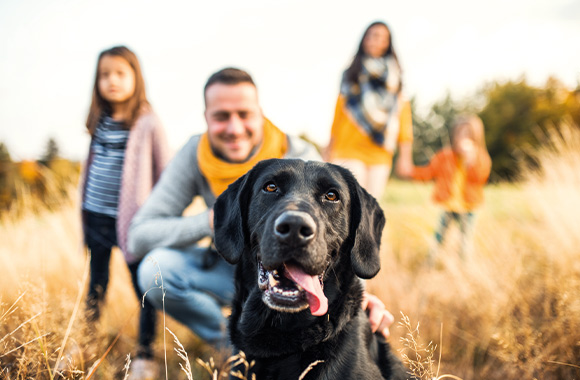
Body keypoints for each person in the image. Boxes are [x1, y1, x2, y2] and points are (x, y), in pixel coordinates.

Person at [128, 68, 395, 362]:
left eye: (244, 114)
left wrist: (361, 297)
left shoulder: (300, 153)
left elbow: (336, 229)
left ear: (260, 113)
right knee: (155, 269)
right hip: (229, 263)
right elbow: (139, 236)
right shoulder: (195, 154)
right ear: (206, 117)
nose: (234, 127)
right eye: (221, 116)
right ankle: (236, 345)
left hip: (292, 263)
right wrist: (212, 222)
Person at [76, 46, 171, 376]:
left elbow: (166, 173)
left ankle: (145, 354)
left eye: (120, 73)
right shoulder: (98, 121)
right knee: (96, 284)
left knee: (143, 285)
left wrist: (160, 216)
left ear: (135, 77)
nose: (112, 81)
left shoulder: (147, 121)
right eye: (105, 75)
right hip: (96, 216)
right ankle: (86, 343)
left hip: (133, 223)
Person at [326, 21, 414, 199]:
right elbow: (339, 113)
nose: (376, 40)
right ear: (364, 39)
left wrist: (405, 156)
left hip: (380, 152)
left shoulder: (395, 79)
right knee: (349, 202)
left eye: (382, 37)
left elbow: (403, 117)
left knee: (371, 207)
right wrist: (329, 147)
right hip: (348, 148)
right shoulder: (351, 73)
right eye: (372, 35)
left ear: (388, 44)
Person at [408, 115, 491, 261]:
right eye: (460, 133)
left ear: (476, 137)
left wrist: (470, 161)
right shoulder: (445, 156)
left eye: (468, 134)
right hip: (449, 205)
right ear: (454, 136)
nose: (463, 138)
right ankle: (430, 262)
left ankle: (464, 265)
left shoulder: (480, 157)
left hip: (469, 207)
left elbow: (481, 178)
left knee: (465, 239)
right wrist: (410, 172)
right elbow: (428, 172)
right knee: (439, 236)